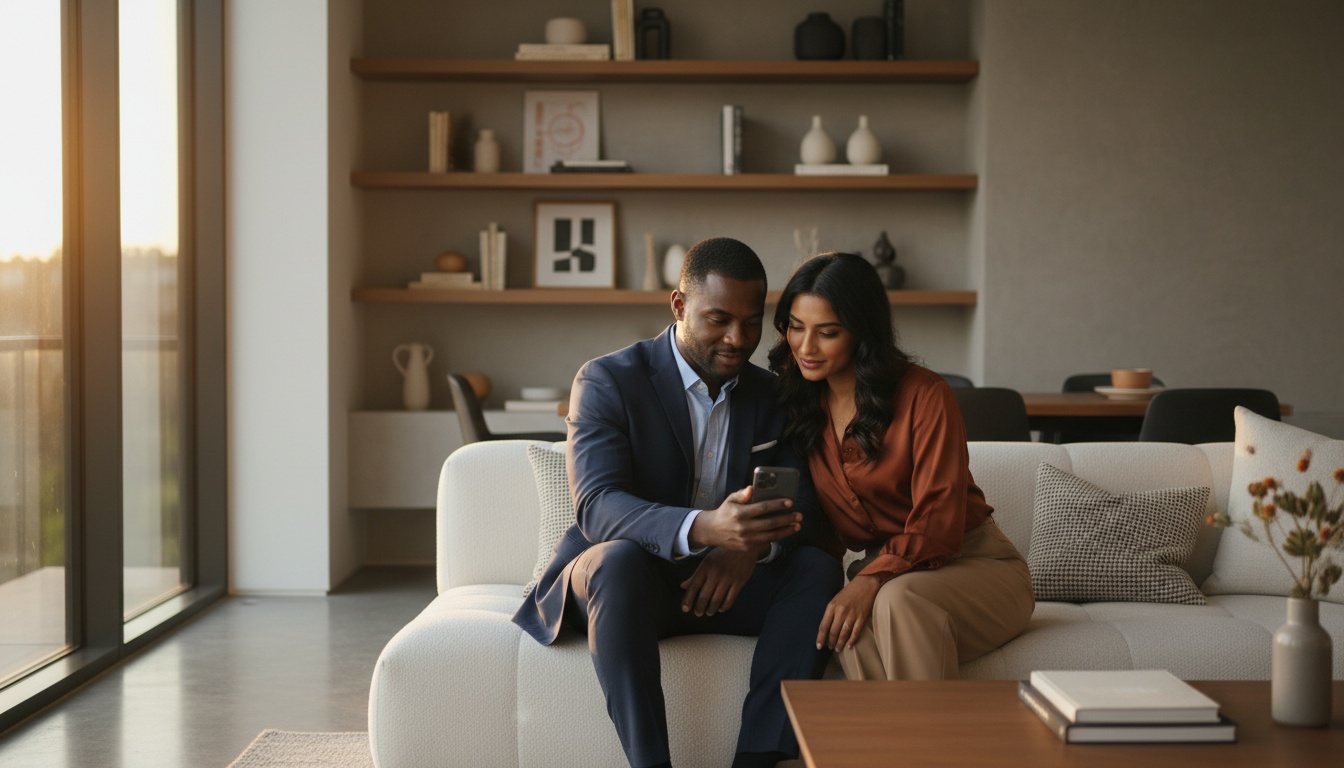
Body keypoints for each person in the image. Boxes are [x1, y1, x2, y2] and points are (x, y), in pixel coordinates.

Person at [512, 237, 842, 768]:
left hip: (728, 582)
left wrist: (747, 550)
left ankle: (757, 761)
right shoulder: (608, 380)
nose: (738, 338)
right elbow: (598, 506)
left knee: (816, 569)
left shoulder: (775, 394)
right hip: (625, 584)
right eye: (719, 319)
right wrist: (709, 529)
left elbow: (806, 506)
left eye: (752, 322)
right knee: (617, 560)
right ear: (679, 305)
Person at [766, 251, 1034, 681]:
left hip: (977, 566)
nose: (805, 347)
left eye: (827, 332)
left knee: (895, 600)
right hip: (889, 574)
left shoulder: (925, 395)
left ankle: (927, 748)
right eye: (796, 327)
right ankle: (889, 748)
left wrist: (869, 580)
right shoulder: (798, 406)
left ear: (860, 332)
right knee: (850, 622)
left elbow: (939, 520)